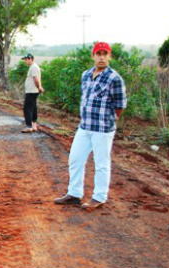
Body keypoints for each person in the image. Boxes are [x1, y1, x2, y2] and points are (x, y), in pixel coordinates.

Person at [54, 42, 127, 211]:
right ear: (93, 56)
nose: (101, 57)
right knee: (75, 158)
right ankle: (74, 193)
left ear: (109, 56)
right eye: (98, 53)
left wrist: (111, 120)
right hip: (85, 126)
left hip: (103, 128)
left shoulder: (114, 78)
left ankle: (99, 197)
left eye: (105, 54)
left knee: (101, 163)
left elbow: (120, 105)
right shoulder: (86, 75)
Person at [21, 54, 44, 133]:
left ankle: (29, 126)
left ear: (30, 59)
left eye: (25, 59)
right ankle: (34, 126)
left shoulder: (33, 67)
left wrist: (39, 87)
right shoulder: (34, 66)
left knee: (27, 108)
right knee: (33, 108)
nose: (25, 61)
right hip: (33, 91)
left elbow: (36, 80)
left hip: (32, 91)